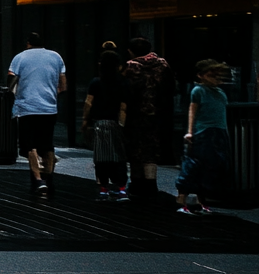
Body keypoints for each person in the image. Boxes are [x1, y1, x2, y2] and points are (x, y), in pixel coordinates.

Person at [7, 32, 66, 196]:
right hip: (49, 108)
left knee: (29, 145)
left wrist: (11, 91)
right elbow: (63, 85)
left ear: (28, 43)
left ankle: (38, 179)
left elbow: (11, 79)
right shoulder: (56, 57)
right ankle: (49, 177)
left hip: (27, 108)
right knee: (47, 144)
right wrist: (52, 95)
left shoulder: (20, 57)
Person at [176, 60, 231, 215]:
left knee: (211, 167)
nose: (216, 77)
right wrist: (190, 131)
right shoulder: (199, 90)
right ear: (201, 76)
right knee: (196, 164)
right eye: (211, 74)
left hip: (218, 131)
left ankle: (201, 201)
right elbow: (192, 111)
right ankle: (184, 198)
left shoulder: (219, 92)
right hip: (204, 132)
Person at [122, 36, 173, 199]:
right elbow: (171, 87)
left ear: (131, 51)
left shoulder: (131, 66)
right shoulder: (163, 64)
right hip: (158, 114)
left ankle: (136, 184)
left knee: (135, 149)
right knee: (152, 149)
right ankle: (151, 184)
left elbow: (124, 90)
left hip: (136, 114)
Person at [83, 50, 128, 201]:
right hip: (116, 123)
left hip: (100, 123)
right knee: (119, 157)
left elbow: (88, 103)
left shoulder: (96, 82)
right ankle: (121, 189)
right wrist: (122, 125)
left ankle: (104, 189)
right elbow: (123, 107)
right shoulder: (122, 82)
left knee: (101, 158)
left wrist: (85, 121)